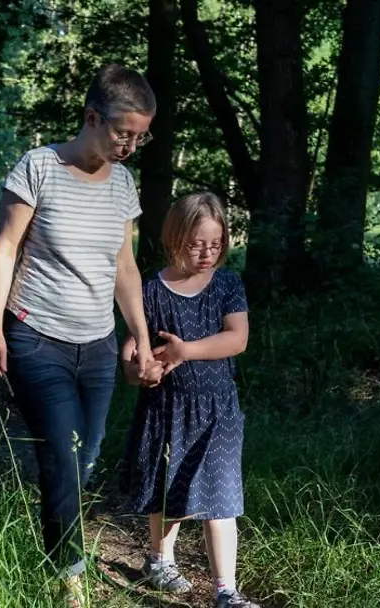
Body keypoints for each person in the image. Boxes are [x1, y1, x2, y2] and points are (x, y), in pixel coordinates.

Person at [0, 63, 161, 606]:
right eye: (123, 133)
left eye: (140, 136)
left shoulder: (124, 184)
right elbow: (5, 249)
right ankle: (68, 580)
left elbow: (123, 266)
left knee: (83, 460)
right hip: (37, 336)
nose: (131, 145)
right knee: (62, 454)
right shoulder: (38, 167)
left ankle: (60, 551)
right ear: (91, 117)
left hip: (99, 346)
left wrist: (142, 338)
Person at [119, 192, 260, 608]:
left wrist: (185, 351)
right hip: (167, 408)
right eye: (198, 243)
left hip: (218, 409)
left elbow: (238, 339)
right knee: (168, 491)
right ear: (174, 238)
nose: (207, 252)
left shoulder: (228, 285)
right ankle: (159, 560)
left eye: (216, 244)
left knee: (222, 498)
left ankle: (225, 590)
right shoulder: (150, 290)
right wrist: (137, 370)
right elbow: (131, 348)